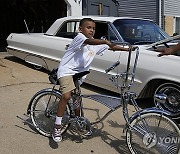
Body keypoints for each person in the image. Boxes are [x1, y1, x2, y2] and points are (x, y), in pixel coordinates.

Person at [52, 18, 132, 142]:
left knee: (77, 99)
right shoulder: (79, 38)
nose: (92, 30)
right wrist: (105, 41)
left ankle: (78, 122)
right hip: (67, 71)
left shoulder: (94, 44)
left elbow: (111, 47)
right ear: (80, 29)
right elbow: (91, 41)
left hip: (79, 74)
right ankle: (57, 126)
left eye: (93, 28)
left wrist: (128, 49)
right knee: (67, 96)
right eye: (88, 27)